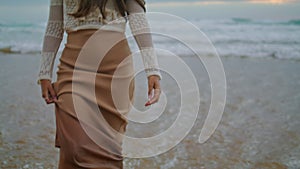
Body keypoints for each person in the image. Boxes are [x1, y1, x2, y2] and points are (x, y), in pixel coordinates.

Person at [37, 0, 162, 168]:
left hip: (116, 75)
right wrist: (44, 73)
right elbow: (54, 27)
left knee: (108, 151)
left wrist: (152, 70)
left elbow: (139, 21)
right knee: (74, 148)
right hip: (73, 70)